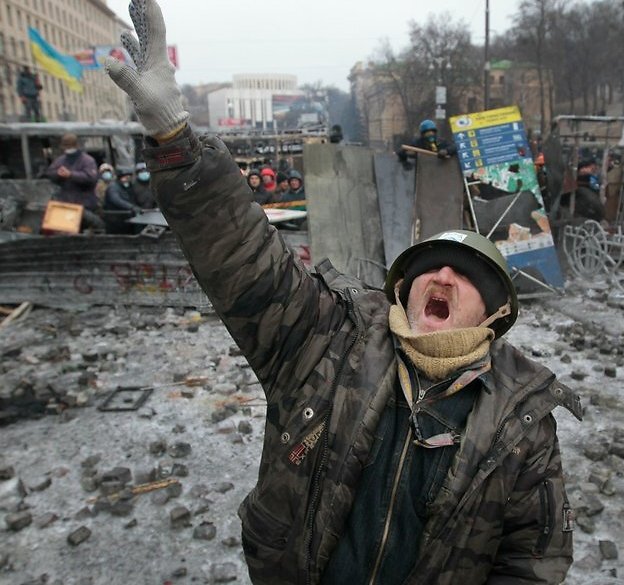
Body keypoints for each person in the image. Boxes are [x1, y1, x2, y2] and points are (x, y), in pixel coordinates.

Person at [105, 3, 580, 584]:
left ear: (497, 313)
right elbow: (244, 261)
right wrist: (176, 141)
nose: (445, 279)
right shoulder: (327, 344)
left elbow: (530, 565)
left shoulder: (522, 420)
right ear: (404, 290)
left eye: (469, 276)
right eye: (431, 267)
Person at [46, 133, 104, 231]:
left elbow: (91, 178)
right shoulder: (60, 160)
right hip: (66, 204)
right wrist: (58, 174)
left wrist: (71, 175)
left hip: (85, 204)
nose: (68, 148)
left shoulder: (87, 161)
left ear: (76, 145)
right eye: (66, 146)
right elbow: (50, 173)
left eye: (70, 146)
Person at [103, 166, 143, 234]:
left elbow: (132, 199)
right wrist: (131, 207)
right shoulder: (113, 187)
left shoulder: (128, 187)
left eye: (129, 177)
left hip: (126, 218)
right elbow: (116, 200)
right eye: (125, 177)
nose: (127, 179)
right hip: (115, 219)